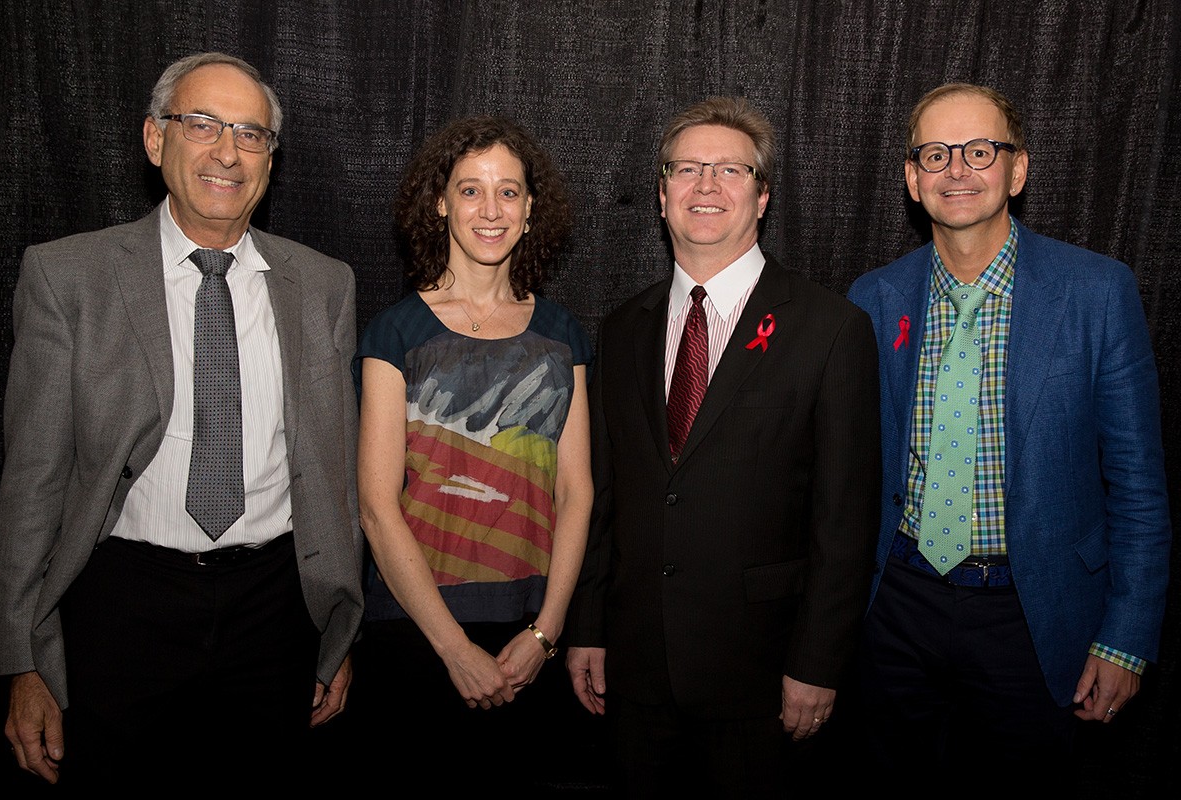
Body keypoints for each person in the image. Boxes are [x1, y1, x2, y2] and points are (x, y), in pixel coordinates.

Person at [0, 52, 363, 789]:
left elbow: (334, 475)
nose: (227, 151)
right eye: (202, 125)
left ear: (270, 159)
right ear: (156, 140)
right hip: (121, 604)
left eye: (251, 134)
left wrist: (336, 628)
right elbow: (32, 480)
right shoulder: (68, 277)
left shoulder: (324, 286)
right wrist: (21, 660)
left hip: (276, 605)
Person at [846, 83, 1172, 787]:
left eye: (980, 150)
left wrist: (1127, 637)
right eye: (936, 154)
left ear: (1017, 169)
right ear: (911, 177)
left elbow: (1139, 485)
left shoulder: (1096, 293)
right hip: (898, 607)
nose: (957, 170)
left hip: (1035, 614)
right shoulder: (873, 300)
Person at [565, 96, 882, 797]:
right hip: (635, 668)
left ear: (762, 196)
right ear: (661, 193)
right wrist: (586, 627)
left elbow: (845, 520)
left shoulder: (831, 329)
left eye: (730, 170)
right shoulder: (622, 329)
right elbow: (603, 494)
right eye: (686, 169)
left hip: (762, 674)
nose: (706, 185)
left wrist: (819, 664)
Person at [351, 115, 593, 790]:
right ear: (440, 201)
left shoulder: (563, 334)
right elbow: (376, 506)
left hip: (529, 638)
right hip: (417, 635)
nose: (491, 210)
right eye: (471, 190)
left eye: (509, 191)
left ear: (531, 207)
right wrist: (453, 648)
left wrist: (546, 635)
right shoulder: (395, 331)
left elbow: (577, 493)